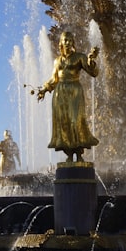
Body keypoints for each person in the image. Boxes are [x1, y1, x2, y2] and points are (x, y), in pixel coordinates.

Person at [35, 31, 100, 163]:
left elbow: (93, 73)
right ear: (61, 43)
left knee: (76, 121)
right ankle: (69, 154)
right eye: (65, 40)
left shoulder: (80, 57)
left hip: (74, 91)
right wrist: (44, 89)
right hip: (60, 93)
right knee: (63, 123)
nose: (68, 42)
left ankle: (79, 153)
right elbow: (54, 79)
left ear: (73, 43)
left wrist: (91, 59)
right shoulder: (57, 61)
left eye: (70, 40)